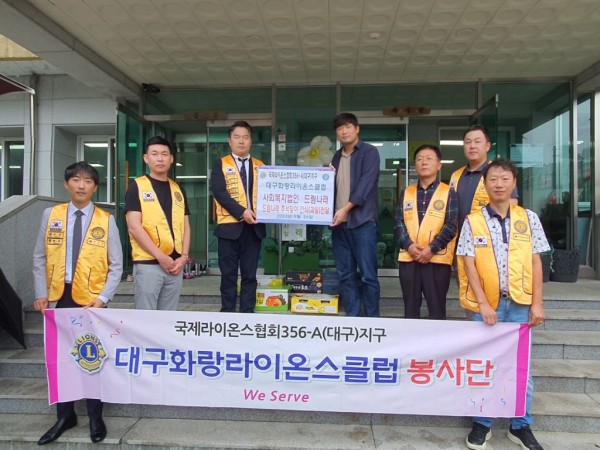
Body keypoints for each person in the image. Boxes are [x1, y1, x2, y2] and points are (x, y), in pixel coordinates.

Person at [456, 159, 549, 450]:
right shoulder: (473, 221)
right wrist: (483, 304)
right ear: (485, 184)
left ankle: (520, 424)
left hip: (520, 304)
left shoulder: (529, 218)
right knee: (484, 365)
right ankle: (482, 423)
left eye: (505, 179)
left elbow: (536, 261)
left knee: (521, 368)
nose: (499, 184)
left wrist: (537, 303)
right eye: (493, 179)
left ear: (513, 183)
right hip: (487, 307)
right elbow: (468, 264)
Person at [32, 161, 123, 445]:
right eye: (75, 180)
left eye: (87, 181)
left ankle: (96, 415)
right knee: (60, 359)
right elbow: (39, 257)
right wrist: (40, 293)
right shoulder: (51, 215)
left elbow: (116, 265)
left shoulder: (106, 220)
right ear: (66, 184)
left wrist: (103, 299)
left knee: (92, 356)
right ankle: (65, 415)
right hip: (58, 297)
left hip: (91, 302)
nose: (81, 185)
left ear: (95, 187)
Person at [125, 136, 191, 310]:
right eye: (154, 154)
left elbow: (185, 226)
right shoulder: (137, 186)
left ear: (171, 159)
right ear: (146, 158)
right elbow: (134, 227)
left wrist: (184, 257)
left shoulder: (178, 189)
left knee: (168, 318)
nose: (160, 158)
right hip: (149, 263)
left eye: (164, 154)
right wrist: (160, 257)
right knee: (146, 317)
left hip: (175, 265)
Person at [394, 144, 457, 320]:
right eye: (420, 159)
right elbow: (398, 222)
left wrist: (431, 248)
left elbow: (451, 224)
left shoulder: (448, 192)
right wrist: (409, 245)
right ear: (415, 165)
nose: (424, 162)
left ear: (439, 165)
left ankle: (437, 340)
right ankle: (410, 339)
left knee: (437, 310)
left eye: (429, 159)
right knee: (410, 310)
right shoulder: (406, 192)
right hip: (409, 258)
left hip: (436, 259)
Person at [210, 120, 265, 313]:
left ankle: (247, 313)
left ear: (251, 141)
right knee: (228, 275)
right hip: (229, 229)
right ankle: (228, 313)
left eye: (245, 137)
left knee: (250, 275)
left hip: (254, 229)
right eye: (237, 137)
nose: (241, 141)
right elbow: (219, 192)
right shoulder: (220, 164)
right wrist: (242, 212)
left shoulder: (261, 166)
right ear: (229, 140)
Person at [330, 112, 380, 317]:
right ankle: (353, 319)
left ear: (357, 129)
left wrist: (345, 210)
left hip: (362, 223)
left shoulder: (369, 152)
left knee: (368, 276)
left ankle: (372, 321)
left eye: (348, 126)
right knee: (345, 275)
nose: (344, 131)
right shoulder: (336, 156)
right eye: (340, 128)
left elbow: (364, 186)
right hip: (339, 225)